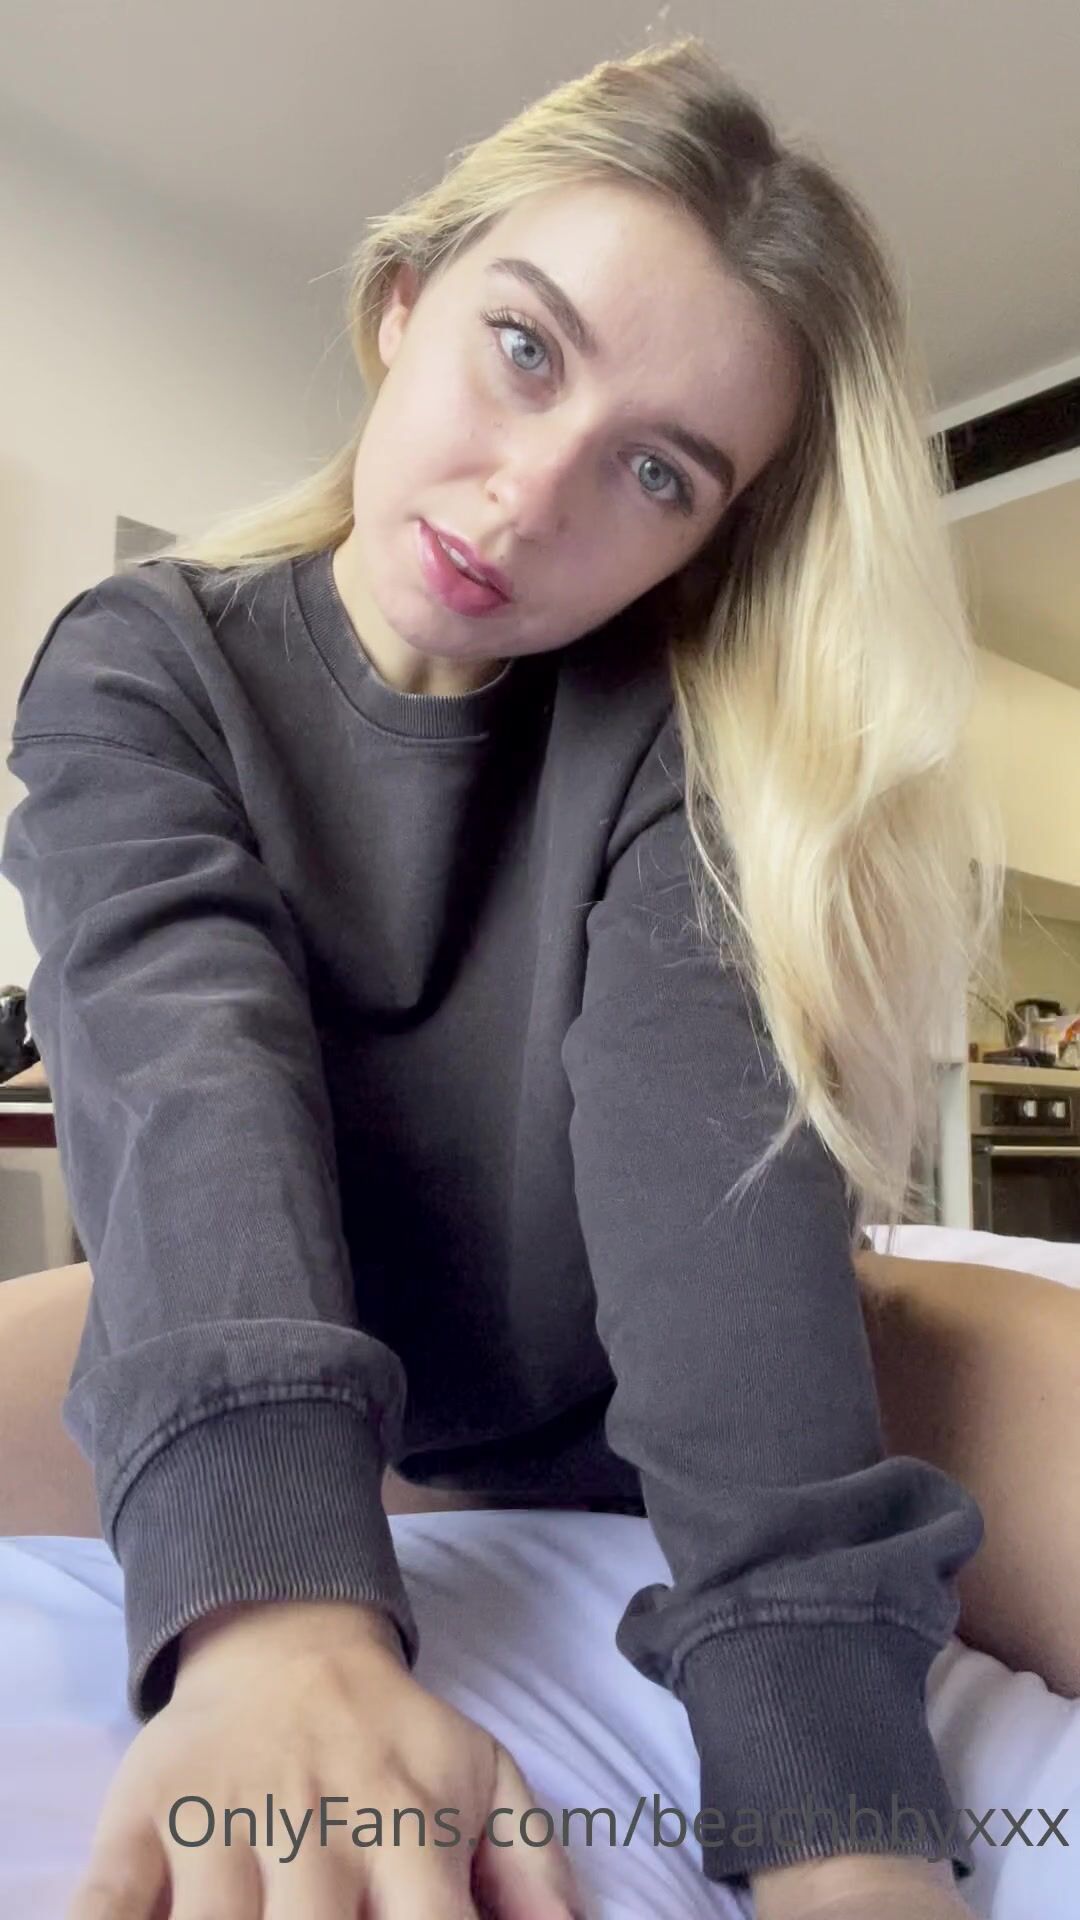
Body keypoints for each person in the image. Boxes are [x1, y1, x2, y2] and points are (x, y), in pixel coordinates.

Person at [0, 32, 1033, 1920]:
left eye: (656, 471)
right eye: (525, 348)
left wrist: (845, 1846)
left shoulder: (681, 747)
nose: (533, 496)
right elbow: (186, 1083)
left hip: (631, 1379)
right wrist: (279, 1627)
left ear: (706, 538)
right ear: (405, 303)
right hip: (321, 1332)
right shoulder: (141, 667)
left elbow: (712, 1245)